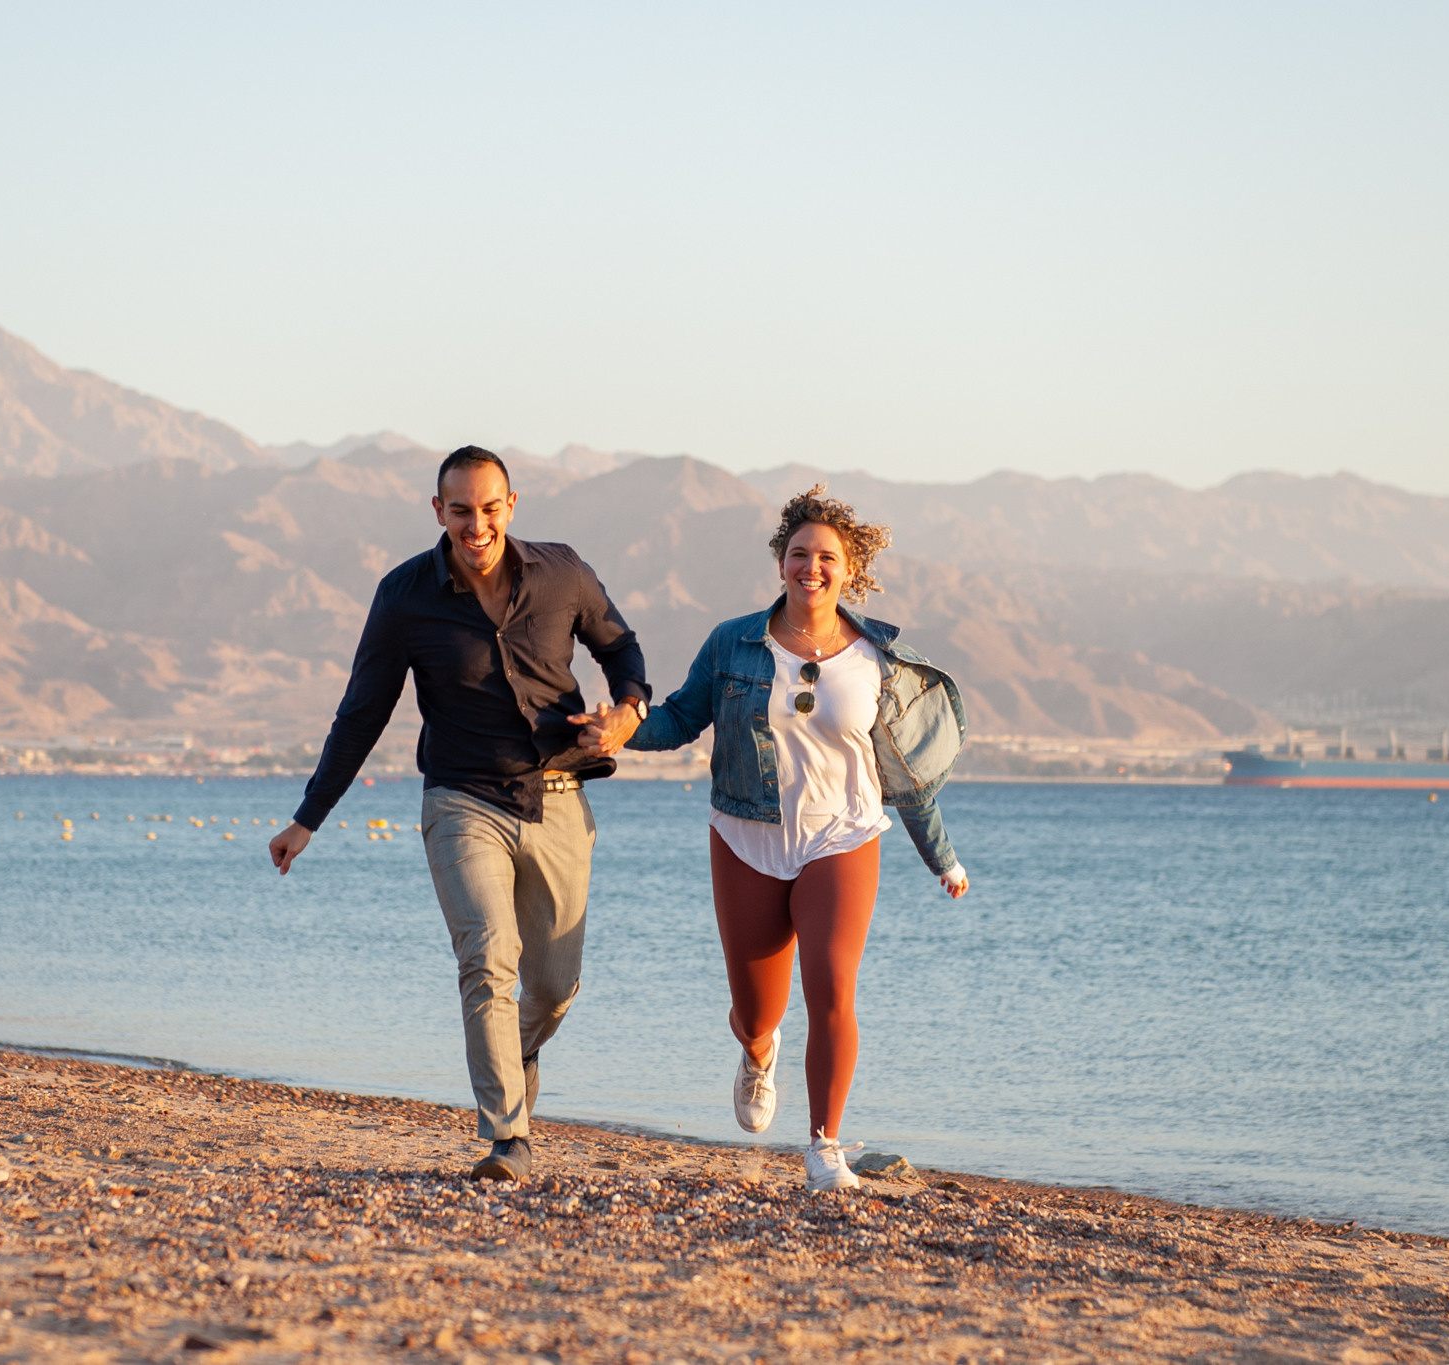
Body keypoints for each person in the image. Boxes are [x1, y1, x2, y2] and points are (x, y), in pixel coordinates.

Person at [268, 446, 650, 1184]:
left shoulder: (563, 572)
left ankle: (518, 1049)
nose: (476, 524)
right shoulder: (405, 594)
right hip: (460, 799)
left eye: (489, 508)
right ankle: (509, 1137)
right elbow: (362, 713)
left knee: (554, 987)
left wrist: (628, 710)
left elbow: (621, 645)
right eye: (460, 510)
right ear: (437, 511)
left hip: (559, 798)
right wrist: (307, 816)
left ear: (511, 505)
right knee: (486, 955)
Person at [611, 484, 968, 1194]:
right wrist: (618, 730)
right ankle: (757, 1050)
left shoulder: (878, 660)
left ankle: (824, 1145)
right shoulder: (732, 643)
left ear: (851, 569)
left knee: (832, 985)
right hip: (746, 833)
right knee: (756, 1009)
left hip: (843, 837)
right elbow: (680, 719)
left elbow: (907, 773)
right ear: (780, 561)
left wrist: (943, 857)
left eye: (827, 556)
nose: (812, 566)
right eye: (799, 553)